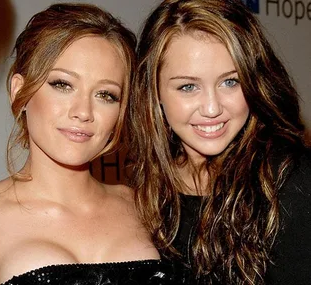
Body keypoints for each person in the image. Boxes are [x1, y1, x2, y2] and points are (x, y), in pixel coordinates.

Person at [0, 3, 191, 285]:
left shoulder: (145, 206)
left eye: (106, 95)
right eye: (63, 85)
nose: (83, 112)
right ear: (19, 92)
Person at [126, 0, 311, 284]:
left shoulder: (291, 180)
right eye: (188, 87)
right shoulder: (143, 189)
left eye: (230, 82)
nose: (212, 108)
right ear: (154, 92)